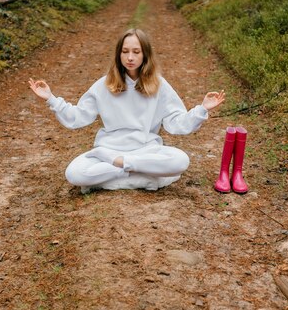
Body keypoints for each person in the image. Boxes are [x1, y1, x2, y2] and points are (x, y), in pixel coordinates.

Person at [29, 28, 225, 193]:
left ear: (145, 54)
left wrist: (201, 109)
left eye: (136, 52)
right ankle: (140, 174)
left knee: (180, 161)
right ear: (119, 54)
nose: (130, 57)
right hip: (109, 150)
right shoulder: (103, 84)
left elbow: (176, 122)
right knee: (73, 173)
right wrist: (51, 99)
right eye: (125, 51)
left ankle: (120, 168)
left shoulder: (159, 85)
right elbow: (78, 116)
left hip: (146, 149)